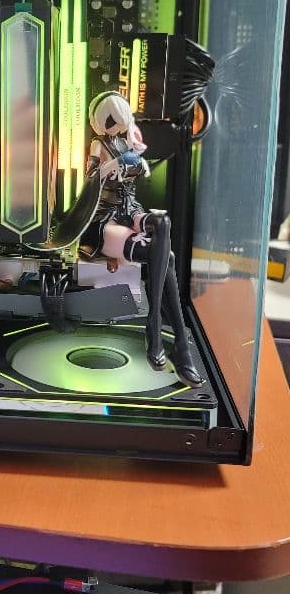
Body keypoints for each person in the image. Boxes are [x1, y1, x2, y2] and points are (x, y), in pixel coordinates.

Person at [80, 91, 203, 387]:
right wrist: (110, 168)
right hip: (105, 219)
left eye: (120, 120)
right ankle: (177, 344)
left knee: (163, 222)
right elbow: (90, 177)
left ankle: (155, 326)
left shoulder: (127, 141)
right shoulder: (99, 144)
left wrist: (137, 158)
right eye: (112, 120)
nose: (116, 126)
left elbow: (137, 167)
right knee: (166, 258)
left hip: (131, 210)